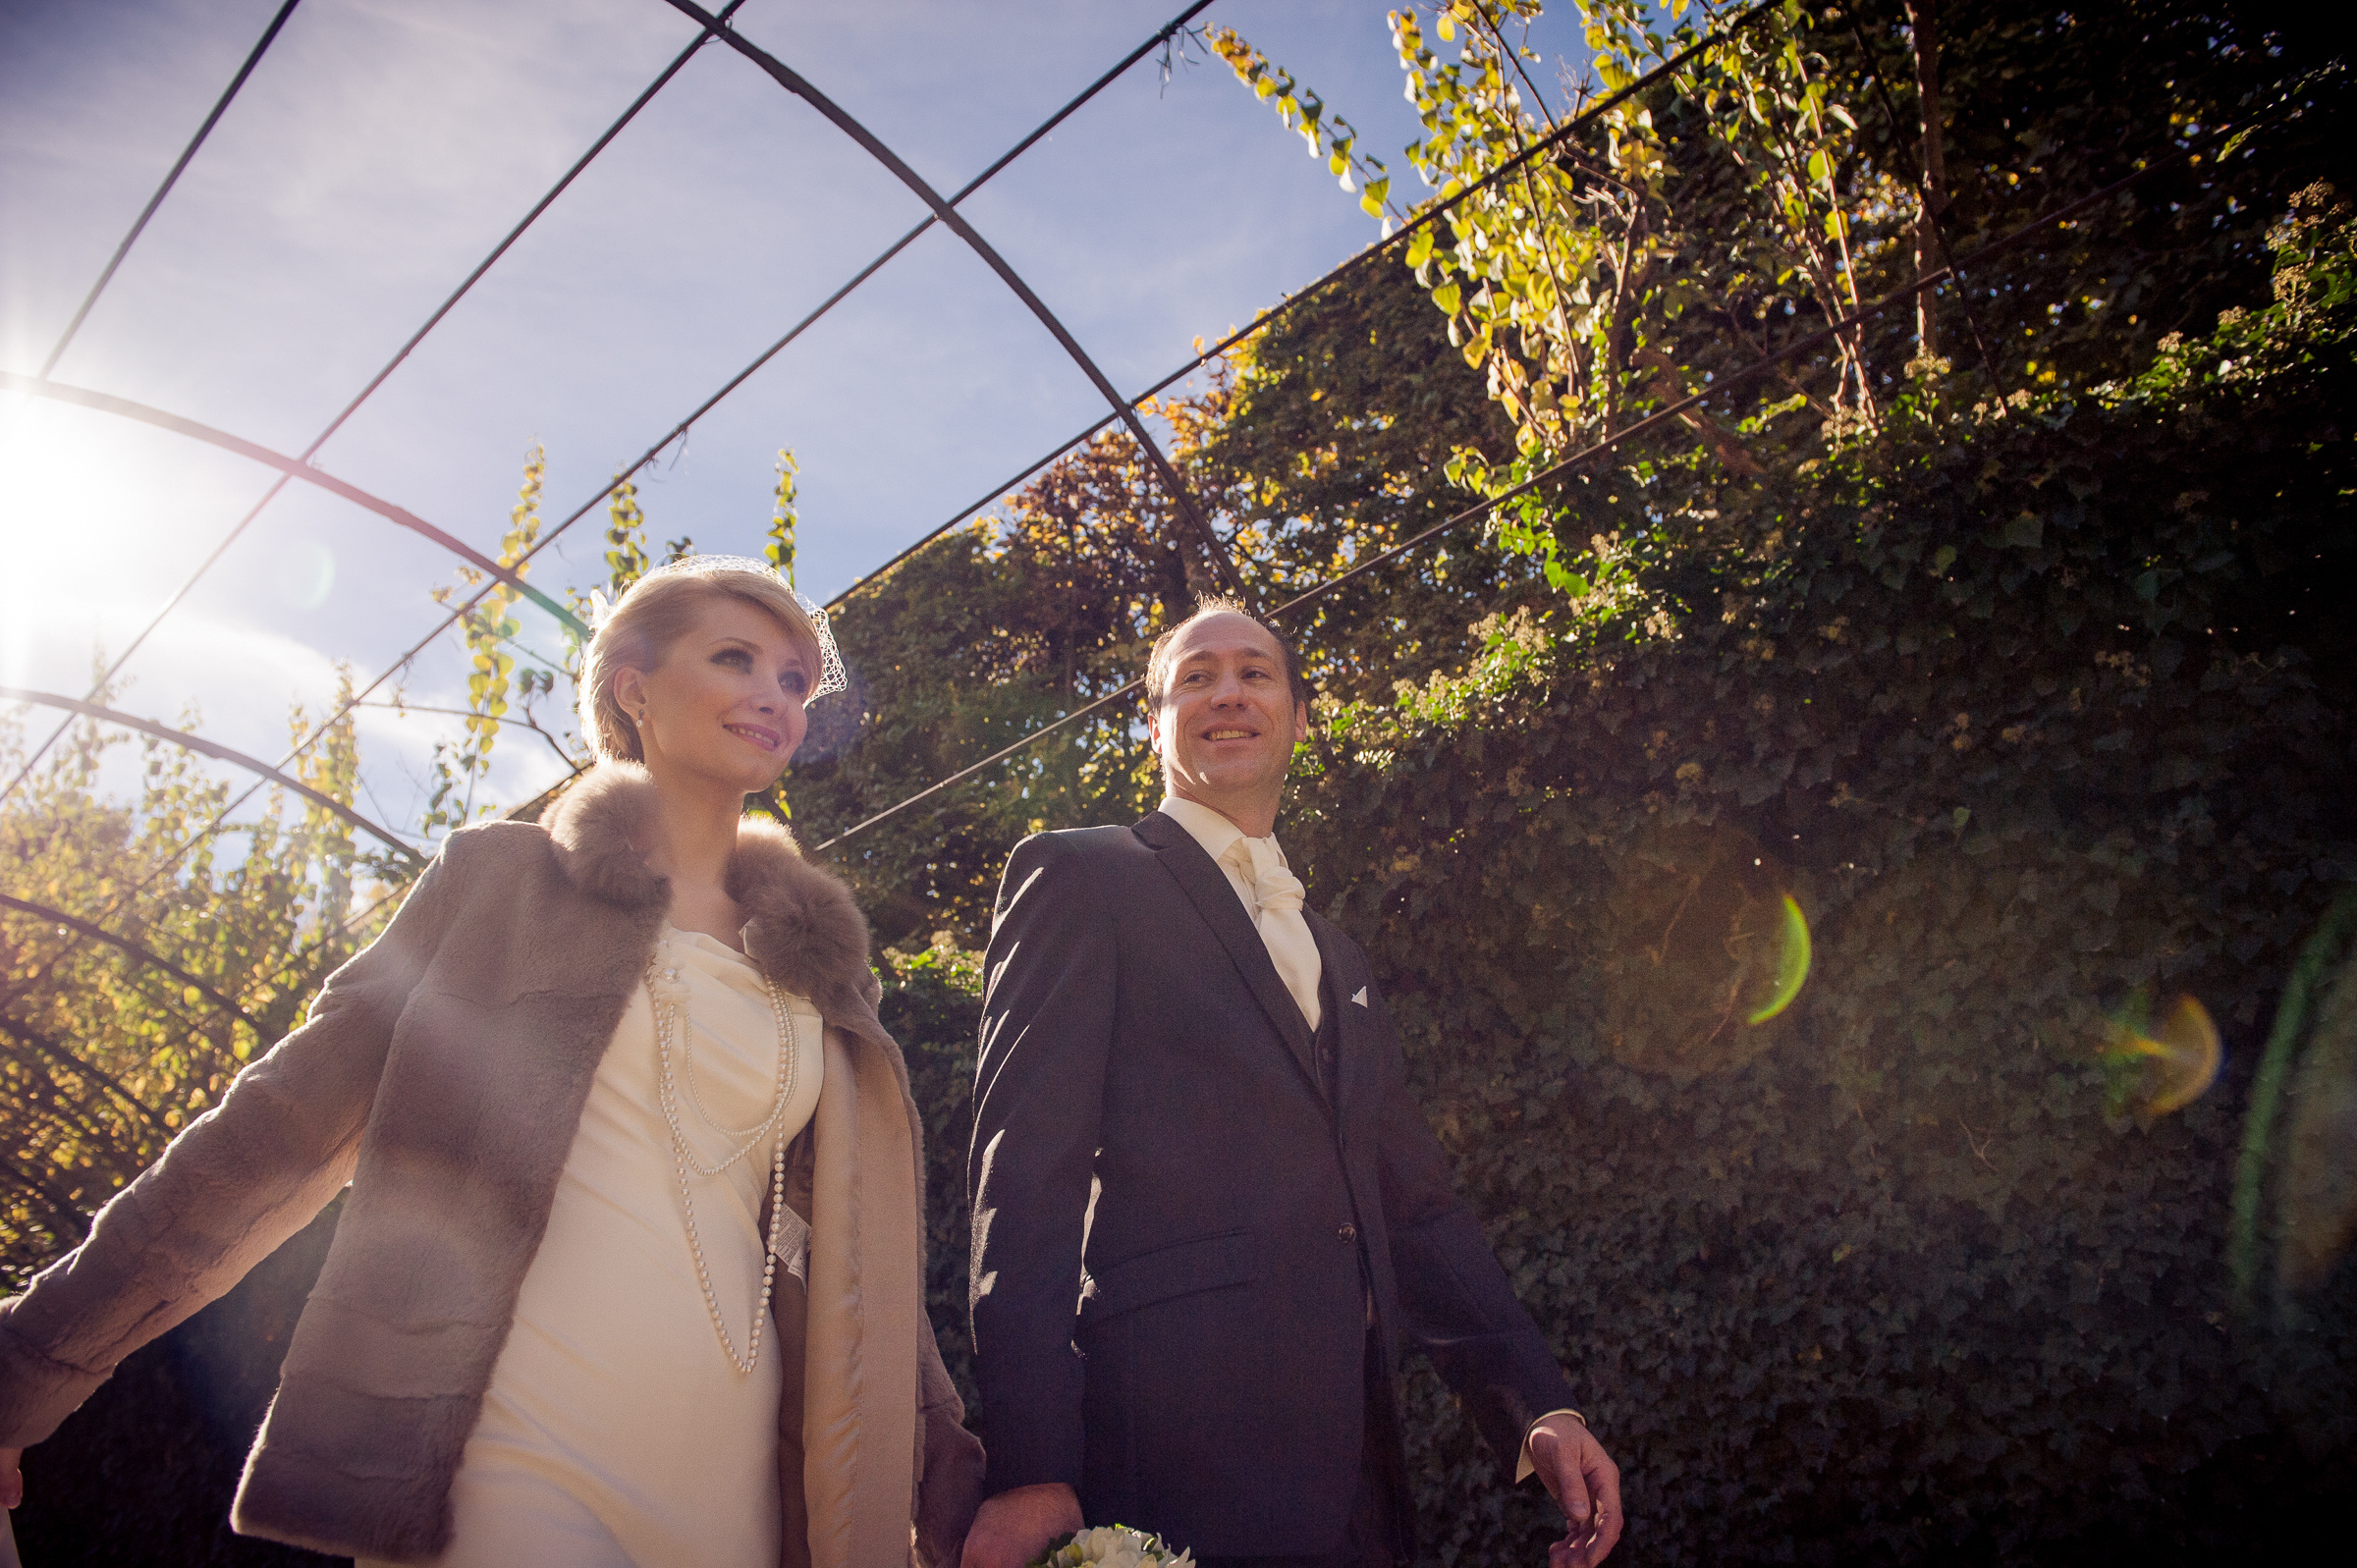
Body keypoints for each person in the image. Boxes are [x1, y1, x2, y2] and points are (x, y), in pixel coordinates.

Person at [0, 557, 981, 1568]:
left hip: (735, 1477)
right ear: (633, 686)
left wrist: (966, 1495)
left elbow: (872, 1273)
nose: (773, 696)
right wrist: (23, 1371)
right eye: (734, 658)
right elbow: (272, 1135)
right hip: (511, 1443)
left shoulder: (822, 980)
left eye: (793, 678)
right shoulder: (499, 884)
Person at [959, 600, 1622, 1568]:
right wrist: (1028, 1464)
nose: (1227, 691)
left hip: (1352, 1459)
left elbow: (1417, 1208)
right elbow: (1022, 1180)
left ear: (1300, 716)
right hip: (1166, 1448)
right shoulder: (1079, 876)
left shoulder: (1338, 951)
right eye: (1195, 676)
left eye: (1255, 672)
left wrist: (1536, 1405)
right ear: (1155, 721)